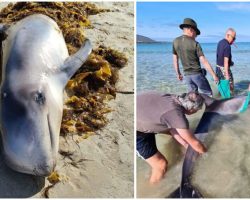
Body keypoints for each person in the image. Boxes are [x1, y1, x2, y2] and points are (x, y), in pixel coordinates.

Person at [136, 91, 207, 184]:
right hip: (137, 132)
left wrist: (186, 145)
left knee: (181, 134)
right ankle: (153, 190)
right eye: (198, 109)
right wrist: (206, 155)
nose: (197, 111)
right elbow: (195, 143)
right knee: (160, 165)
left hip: (139, 114)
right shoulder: (176, 115)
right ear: (192, 108)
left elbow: (172, 128)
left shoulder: (172, 97)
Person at [172, 18, 219, 96]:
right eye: (196, 33)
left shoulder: (175, 41)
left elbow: (175, 59)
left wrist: (178, 73)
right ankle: (209, 108)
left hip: (187, 76)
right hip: (197, 74)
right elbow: (203, 61)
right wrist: (214, 75)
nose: (196, 36)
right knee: (208, 94)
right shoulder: (195, 43)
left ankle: (195, 108)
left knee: (193, 97)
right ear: (191, 30)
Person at [216, 28, 236, 96]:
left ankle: (218, 100)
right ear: (228, 35)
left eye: (234, 39)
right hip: (224, 69)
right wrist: (227, 75)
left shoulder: (220, 42)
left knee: (221, 87)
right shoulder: (227, 46)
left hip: (218, 68)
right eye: (233, 38)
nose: (233, 40)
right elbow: (225, 61)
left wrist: (231, 62)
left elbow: (219, 56)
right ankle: (231, 101)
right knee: (230, 87)